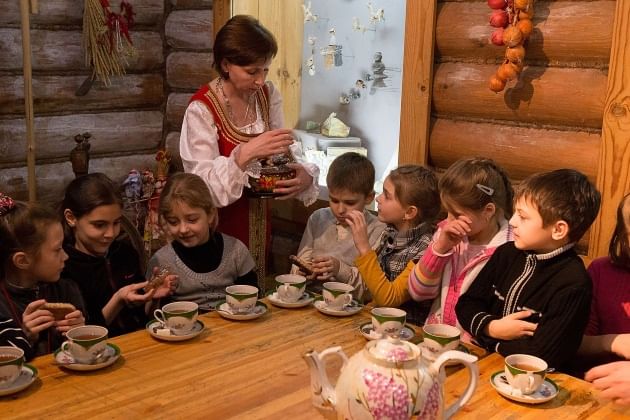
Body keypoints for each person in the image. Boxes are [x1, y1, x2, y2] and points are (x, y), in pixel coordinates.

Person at [180, 15, 319, 251]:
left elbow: (284, 151)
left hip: (261, 224)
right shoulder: (202, 109)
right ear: (226, 65)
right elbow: (200, 189)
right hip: (218, 230)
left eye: (265, 70)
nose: (260, 81)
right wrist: (243, 155)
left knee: (257, 271)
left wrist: (304, 176)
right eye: (252, 72)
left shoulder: (268, 95)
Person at [456, 169, 601, 371]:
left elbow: (543, 353)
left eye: (523, 217)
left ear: (558, 230)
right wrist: (493, 327)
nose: (512, 221)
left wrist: (489, 341)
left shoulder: (573, 283)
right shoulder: (506, 254)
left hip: (530, 382)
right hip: (479, 364)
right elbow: (466, 304)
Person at [60, 173, 177, 337]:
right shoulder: (63, 267)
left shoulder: (125, 253)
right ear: (71, 218)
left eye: (116, 223)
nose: (110, 233)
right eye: (99, 225)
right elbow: (82, 335)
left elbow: (144, 317)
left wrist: (152, 297)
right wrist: (118, 300)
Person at [407, 157, 514, 333]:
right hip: (437, 337)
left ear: (488, 211)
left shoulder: (509, 251)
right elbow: (418, 292)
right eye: (447, 212)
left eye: (457, 214)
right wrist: (440, 248)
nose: (449, 221)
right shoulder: (446, 234)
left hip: (474, 342)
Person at [345, 165, 441, 324]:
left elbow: (389, 299)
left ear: (409, 212)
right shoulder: (390, 232)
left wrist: (364, 247)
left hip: (405, 327)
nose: (378, 198)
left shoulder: (426, 248)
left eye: (387, 196)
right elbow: (373, 286)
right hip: (377, 319)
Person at [146, 173, 257, 310]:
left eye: (192, 220)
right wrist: (155, 298)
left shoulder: (236, 252)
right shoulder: (161, 261)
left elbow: (254, 299)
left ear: (210, 215)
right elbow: (151, 314)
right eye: (173, 222)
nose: (183, 229)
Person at [291, 153, 385, 299]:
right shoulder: (318, 218)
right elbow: (299, 265)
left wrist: (339, 269)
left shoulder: (379, 230)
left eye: (350, 203)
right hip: (311, 299)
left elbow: (371, 289)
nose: (340, 210)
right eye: (334, 200)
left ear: (369, 198)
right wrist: (302, 272)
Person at [0, 193, 85, 356]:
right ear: (22, 261)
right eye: (57, 250)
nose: (66, 256)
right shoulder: (3, 308)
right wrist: (26, 338)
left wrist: (80, 332)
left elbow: (85, 353)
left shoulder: (67, 289)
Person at [578, 193, 630, 366]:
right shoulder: (601, 271)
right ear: (623, 235)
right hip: (596, 378)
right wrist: (614, 342)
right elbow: (577, 342)